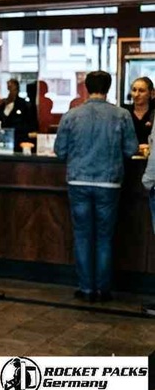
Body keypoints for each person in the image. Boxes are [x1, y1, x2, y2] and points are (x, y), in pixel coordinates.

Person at [55, 71, 136, 303]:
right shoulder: (121, 115)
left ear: (86, 88)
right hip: (108, 181)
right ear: (109, 88)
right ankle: (103, 289)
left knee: (82, 235)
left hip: (78, 180)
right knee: (104, 237)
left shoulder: (71, 115)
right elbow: (130, 149)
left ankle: (86, 288)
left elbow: (60, 151)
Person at [0, 79, 38, 151]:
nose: (11, 92)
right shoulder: (1, 105)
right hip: (3, 138)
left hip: (20, 139)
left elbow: (30, 123)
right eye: (9, 89)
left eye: (13, 89)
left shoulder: (25, 105)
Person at [127, 77, 153, 146]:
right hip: (128, 155)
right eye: (134, 90)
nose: (136, 94)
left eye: (141, 91)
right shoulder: (125, 113)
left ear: (151, 93)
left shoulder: (153, 114)